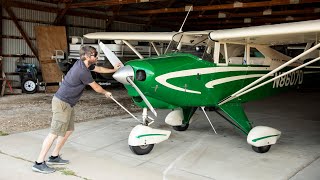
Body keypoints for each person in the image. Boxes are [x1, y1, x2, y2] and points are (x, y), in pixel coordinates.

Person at [32, 46, 121, 173]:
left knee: (68, 130)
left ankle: (54, 156)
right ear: (86, 56)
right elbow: (96, 87)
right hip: (62, 103)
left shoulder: (84, 65)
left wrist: (113, 69)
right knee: (54, 133)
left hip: (68, 104)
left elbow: (99, 69)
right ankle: (39, 162)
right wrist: (106, 92)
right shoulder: (82, 71)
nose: (97, 57)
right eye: (94, 55)